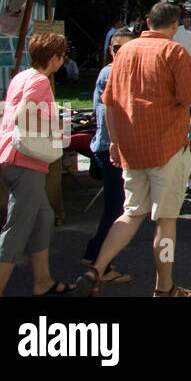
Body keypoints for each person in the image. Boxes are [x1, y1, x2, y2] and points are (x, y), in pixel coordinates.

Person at [77, 2, 191, 297]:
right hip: (167, 147)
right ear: (174, 26)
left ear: (148, 22)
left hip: (132, 147)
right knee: (166, 220)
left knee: (131, 213)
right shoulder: (173, 52)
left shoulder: (125, 52)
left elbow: (109, 102)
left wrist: (115, 143)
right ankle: (164, 286)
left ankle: (96, 269)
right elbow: (188, 96)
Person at [0, 32, 73, 296]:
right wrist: (54, 127)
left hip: (8, 157)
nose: (63, 60)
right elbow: (26, 112)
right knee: (17, 227)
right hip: (24, 161)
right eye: (62, 55)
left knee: (43, 216)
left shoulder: (21, 77)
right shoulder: (40, 81)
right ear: (56, 58)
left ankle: (43, 281)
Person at [81, 29, 134, 284]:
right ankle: (99, 263)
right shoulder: (111, 72)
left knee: (117, 206)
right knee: (115, 208)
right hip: (110, 148)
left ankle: (94, 252)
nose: (120, 53)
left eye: (125, 48)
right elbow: (111, 113)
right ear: (110, 50)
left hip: (111, 146)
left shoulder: (118, 72)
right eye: (115, 48)